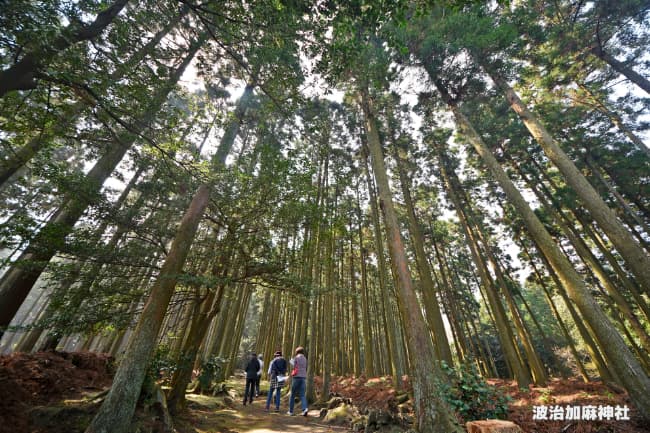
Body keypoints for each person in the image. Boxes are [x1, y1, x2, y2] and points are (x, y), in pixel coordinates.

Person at [287, 346, 308, 416]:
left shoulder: (296, 358)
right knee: (302, 395)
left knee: (292, 394)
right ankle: (305, 409)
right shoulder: (305, 359)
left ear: (297, 352)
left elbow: (294, 366)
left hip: (296, 377)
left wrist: (290, 360)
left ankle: (290, 411)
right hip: (304, 378)